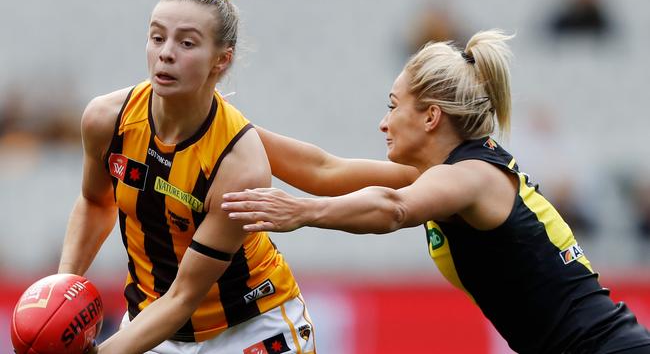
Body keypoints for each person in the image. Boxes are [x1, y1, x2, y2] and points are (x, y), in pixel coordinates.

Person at [222, 30, 650, 353]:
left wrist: (303, 212)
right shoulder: (444, 175)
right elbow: (323, 168)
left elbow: (393, 209)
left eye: (393, 105)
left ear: (431, 117)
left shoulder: (470, 177)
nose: (383, 122)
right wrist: (224, 126)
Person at [57, 0, 315, 353]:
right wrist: (61, 293)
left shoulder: (239, 165)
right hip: (150, 321)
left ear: (221, 61)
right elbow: (95, 202)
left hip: (248, 329)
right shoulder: (107, 119)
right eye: (157, 37)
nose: (165, 53)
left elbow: (183, 296)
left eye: (187, 43)